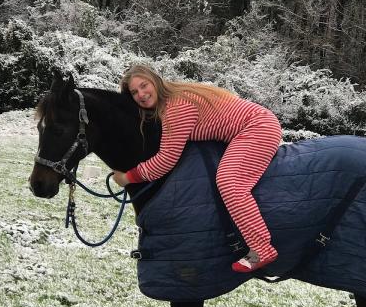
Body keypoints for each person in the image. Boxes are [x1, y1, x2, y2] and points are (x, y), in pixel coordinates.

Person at [113, 65, 282, 273]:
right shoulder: (174, 98)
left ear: (155, 81)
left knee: (230, 183)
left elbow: (166, 160)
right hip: (256, 123)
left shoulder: (175, 107)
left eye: (144, 85)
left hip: (257, 127)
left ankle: (261, 249)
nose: (141, 94)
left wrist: (128, 177)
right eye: (134, 92)